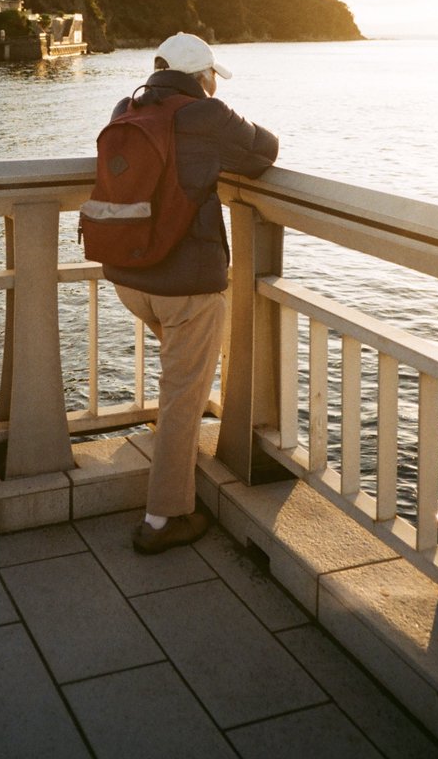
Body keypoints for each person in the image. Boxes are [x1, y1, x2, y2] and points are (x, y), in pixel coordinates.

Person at [103, 32, 279, 554]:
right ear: (202, 76)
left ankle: (173, 464)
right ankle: (163, 519)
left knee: (179, 378)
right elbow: (264, 151)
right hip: (186, 285)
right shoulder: (207, 113)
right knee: (183, 397)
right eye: (211, 77)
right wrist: (216, 118)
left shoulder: (126, 107)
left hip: (130, 277)